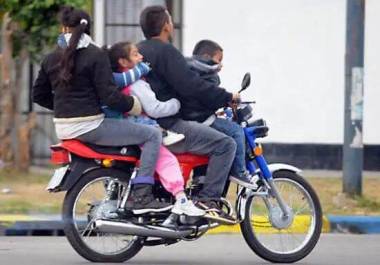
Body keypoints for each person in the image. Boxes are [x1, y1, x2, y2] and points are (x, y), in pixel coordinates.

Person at [32, 6, 171, 215]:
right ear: (88, 29)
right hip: (92, 126)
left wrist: (64, 108)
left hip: (63, 128)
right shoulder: (95, 55)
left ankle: (121, 188)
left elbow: (38, 95)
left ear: (63, 28)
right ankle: (142, 196)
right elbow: (111, 97)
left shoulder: (51, 58)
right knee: (151, 135)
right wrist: (134, 105)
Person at [115, 5, 238, 224]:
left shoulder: (139, 51)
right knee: (226, 144)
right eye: (170, 20)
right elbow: (191, 85)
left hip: (142, 123)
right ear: (166, 26)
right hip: (168, 125)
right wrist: (225, 96)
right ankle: (208, 201)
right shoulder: (166, 51)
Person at [103, 41, 205, 217]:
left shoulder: (124, 81)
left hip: (131, 127)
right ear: (124, 62)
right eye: (135, 54)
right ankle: (181, 198)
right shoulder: (136, 84)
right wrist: (176, 104)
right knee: (168, 160)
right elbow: (155, 109)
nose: (141, 56)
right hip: (143, 129)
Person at [187, 40, 259, 189]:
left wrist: (223, 104)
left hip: (192, 119)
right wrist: (228, 98)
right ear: (206, 56)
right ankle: (238, 171)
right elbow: (209, 95)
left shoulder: (191, 71)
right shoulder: (209, 75)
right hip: (202, 120)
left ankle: (201, 179)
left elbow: (204, 98)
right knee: (236, 131)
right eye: (219, 60)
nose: (221, 65)